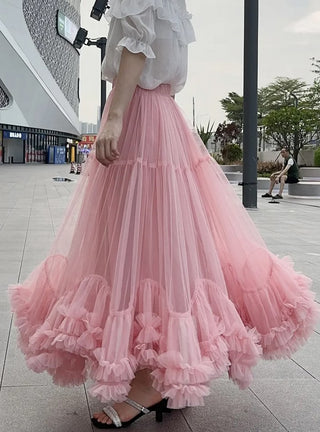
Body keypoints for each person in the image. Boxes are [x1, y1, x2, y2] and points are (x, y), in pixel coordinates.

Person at [9, 1, 319, 430]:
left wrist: (115, 116)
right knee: (162, 243)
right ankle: (164, 374)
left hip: (140, 118)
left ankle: (147, 383)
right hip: (161, 117)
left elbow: (138, 47)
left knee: (135, 244)